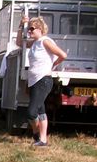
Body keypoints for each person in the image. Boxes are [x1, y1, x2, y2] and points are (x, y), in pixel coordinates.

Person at [16, 16, 67, 148]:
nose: (30, 32)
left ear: (40, 29)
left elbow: (63, 55)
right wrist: (21, 26)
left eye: (32, 29)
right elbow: (19, 43)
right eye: (29, 29)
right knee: (41, 111)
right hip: (34, 81)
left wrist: (52, 65)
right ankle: (43, 140)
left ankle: (36, 133)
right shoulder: (35, 43)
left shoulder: (45, 41)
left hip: (43, 80)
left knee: (31, 112)